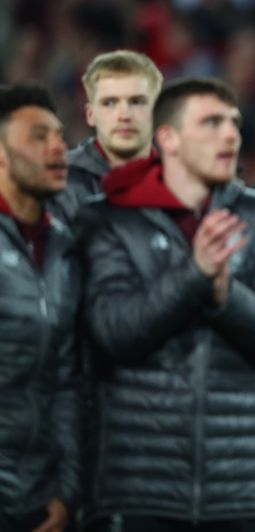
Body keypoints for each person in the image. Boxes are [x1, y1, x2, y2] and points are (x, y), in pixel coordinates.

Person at [78, 77, 255, 532]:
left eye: (233, 123)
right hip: (140, 489)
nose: (230, 135)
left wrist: (227, 296)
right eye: (211, 123)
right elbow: (112, 334)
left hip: (245, 491)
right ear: (168, 138)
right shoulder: (110, 220)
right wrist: (194, 276)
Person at [0, 84, 78, 532]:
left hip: (39, 503)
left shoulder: (64, 249)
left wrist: (66, 492)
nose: (57, 147)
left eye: (59, 136)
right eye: (38, 136)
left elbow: (67, 380)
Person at [49, 49, 162, 224]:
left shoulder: (184, 185)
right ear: (90, 115)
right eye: (109, 103)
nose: (124, 115)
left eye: (136, 102)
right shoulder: (57, 181)